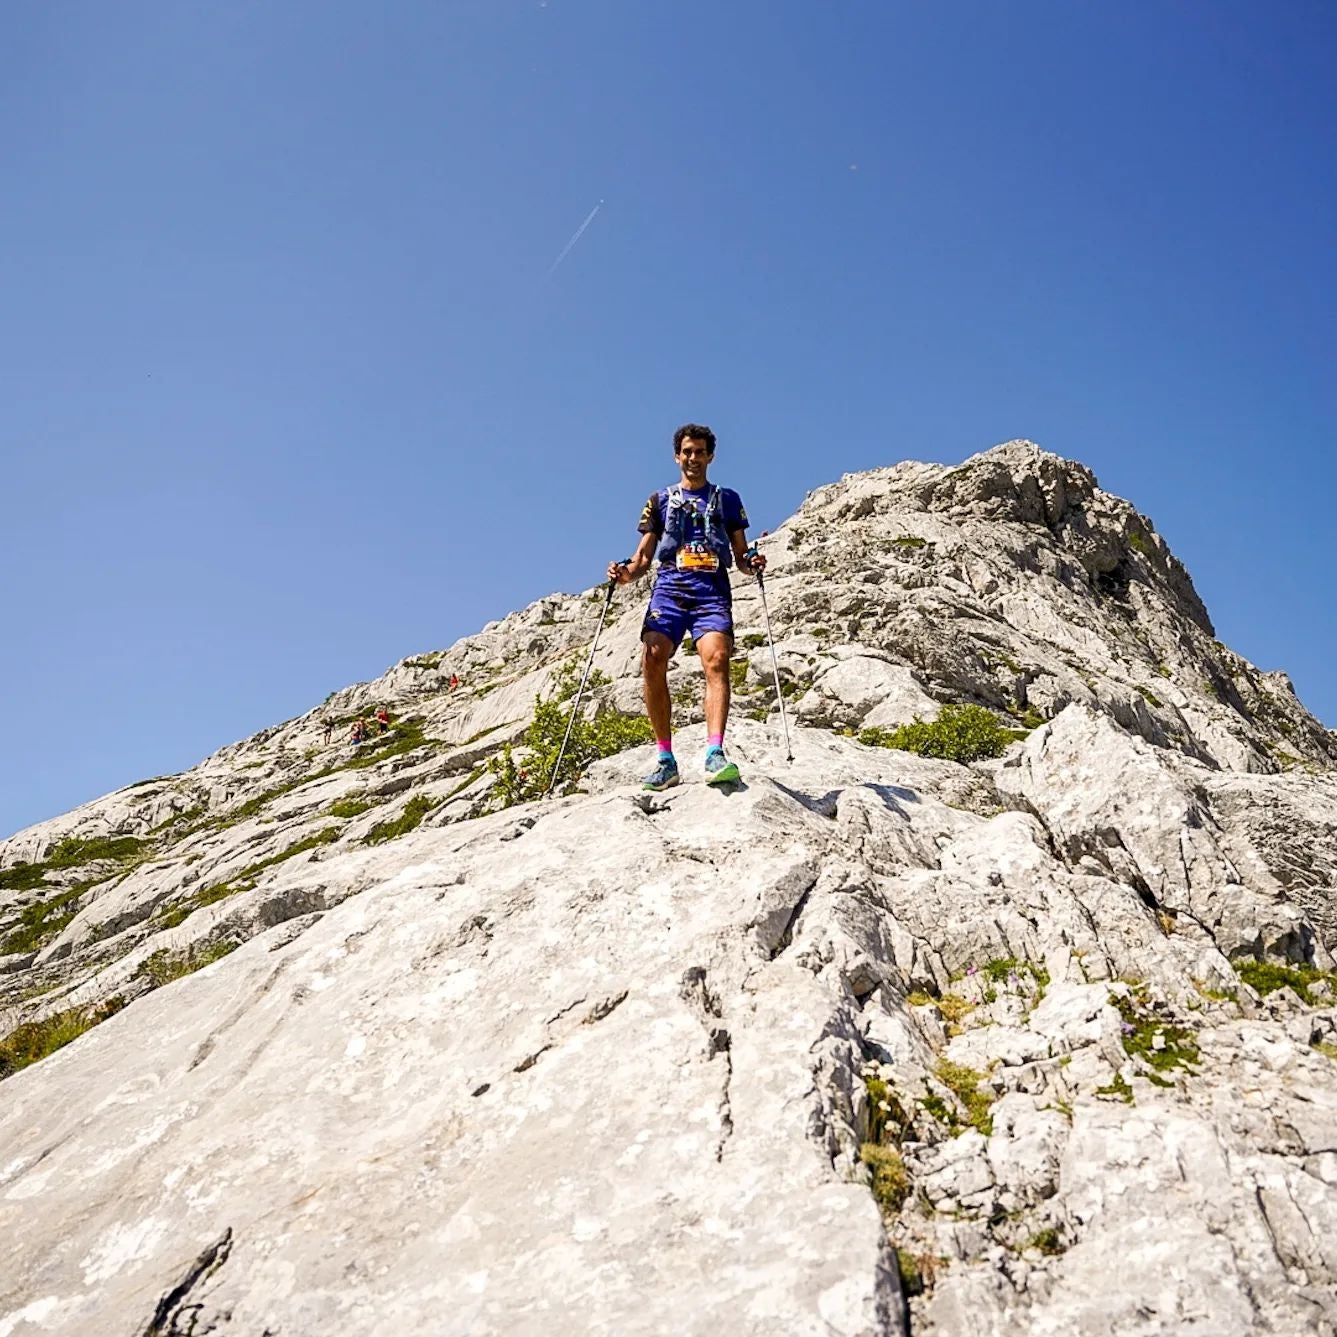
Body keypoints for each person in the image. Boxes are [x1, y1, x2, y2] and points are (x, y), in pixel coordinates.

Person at [607, 423, 766, 790]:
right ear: (677, 456)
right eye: (687, 452)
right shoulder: (659, 501)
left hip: (711, 589)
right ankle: (665, 758)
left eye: (700, 452)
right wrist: (624, 574)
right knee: (653, 655)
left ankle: (714, 754)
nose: (693, 458)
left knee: (717, 659)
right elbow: (643, 558)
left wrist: (752, 562)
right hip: (671, 588)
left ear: (710, 456)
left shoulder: (728, 500)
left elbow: (741, 555)